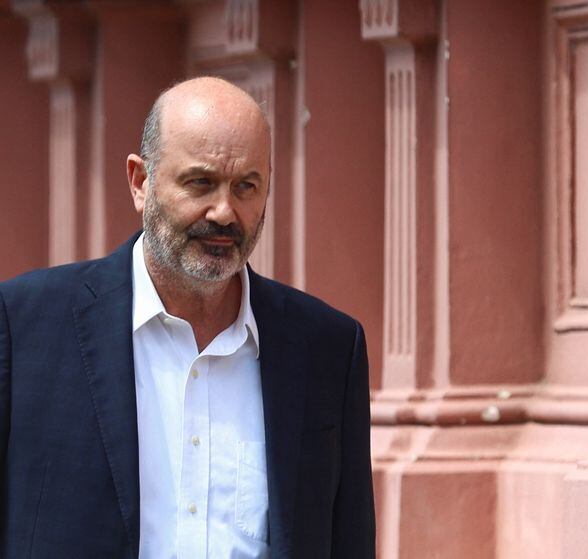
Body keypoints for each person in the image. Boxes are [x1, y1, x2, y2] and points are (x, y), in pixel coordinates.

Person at [0, 77, 375, 558]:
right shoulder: (24, 325)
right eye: (201, 182)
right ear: (141, 182)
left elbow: (349, 541)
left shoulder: (328, 349)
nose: (224, 212)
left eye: (246, 187)